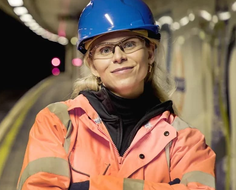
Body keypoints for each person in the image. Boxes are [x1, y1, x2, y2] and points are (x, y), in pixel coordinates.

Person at [16, 0, 216, 189]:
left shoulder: (186, 140)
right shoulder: (57, 123)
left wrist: (86, 187)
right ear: (92, 65)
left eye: (129, 44)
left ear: (150, 53)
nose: (119, 57)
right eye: (105, 50)